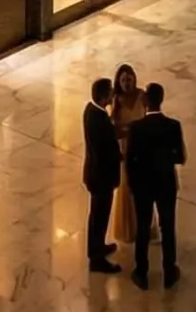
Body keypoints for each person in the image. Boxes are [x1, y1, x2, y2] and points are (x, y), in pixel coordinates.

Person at [125, 82, 187, 289]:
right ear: (162, 99)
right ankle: (169, 271)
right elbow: (179, 157)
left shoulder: (136, 128)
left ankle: (141, 272)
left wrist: (133, 185)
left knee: (143, 227)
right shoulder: (173, 125)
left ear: (145, 101)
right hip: (166, 184)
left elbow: (130, 159)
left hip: (143, 185)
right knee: (168, 227)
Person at [81, 78, 122, 273]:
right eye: (111, 92)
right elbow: (104, 150)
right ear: (105, 95)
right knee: (99, 216)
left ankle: (97, 247)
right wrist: (120, 157)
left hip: (95, 174)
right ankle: (96, 258)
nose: (113, 95)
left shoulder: (92, 111)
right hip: (101, 177)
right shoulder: (99, 120)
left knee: (98, 216)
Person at [109, 63, 146, 244]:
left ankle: (144, 225)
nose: (127, 83)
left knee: (143, 187)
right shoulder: (116, 100)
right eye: (123, 80)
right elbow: (114, 130)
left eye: (129, 79)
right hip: (126, 148)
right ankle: (129, 227)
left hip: (142, 148)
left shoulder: (142, 96)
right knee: (127, 186)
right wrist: (130, 130)